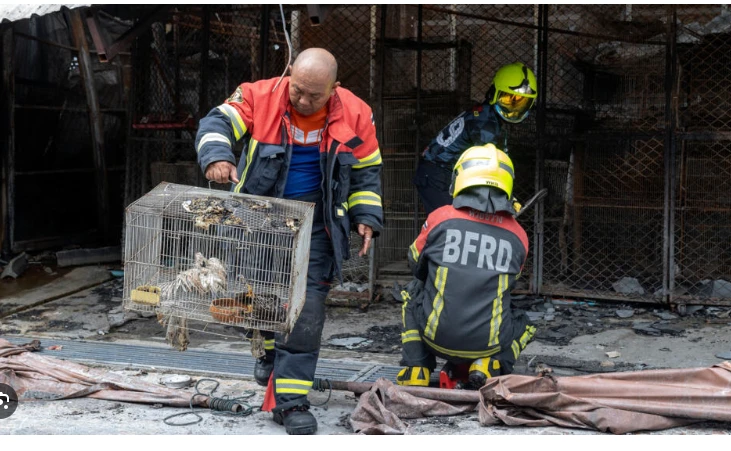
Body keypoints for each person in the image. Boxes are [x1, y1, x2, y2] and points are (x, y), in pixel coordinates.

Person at [194, 47, 384, 434]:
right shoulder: (257, 96)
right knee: (256, 299)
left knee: (306, 310)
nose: (302, 99)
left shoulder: (356, 113)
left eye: (315, 94)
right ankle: (266, 350)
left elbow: (367, 172)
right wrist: (217, 156)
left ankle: (291, 402)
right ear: (289, 74)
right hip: (257, 221)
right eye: (297, 89)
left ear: (335, 88)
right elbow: (216, 123)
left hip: (317, 226)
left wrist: (366, 216)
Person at [395, 144, 536, 389]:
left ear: (460, 177)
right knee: (525, 323)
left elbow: (416, 265)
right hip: (488, 343)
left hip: (434, 338)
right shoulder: (519, 235)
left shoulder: (441, 217)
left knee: (411, 292)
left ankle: (416, 368)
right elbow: (509, 282)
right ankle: (490, 364)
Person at [415, 62, 537, 216]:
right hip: (437, 174)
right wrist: (506, 199)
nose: (513, 109)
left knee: (455, 223)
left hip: (440, 172)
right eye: (508, 100)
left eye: (521, 103)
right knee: (447, 224)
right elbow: (489, 169)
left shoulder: (485, 114)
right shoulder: (485, 124)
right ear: (494, 94)